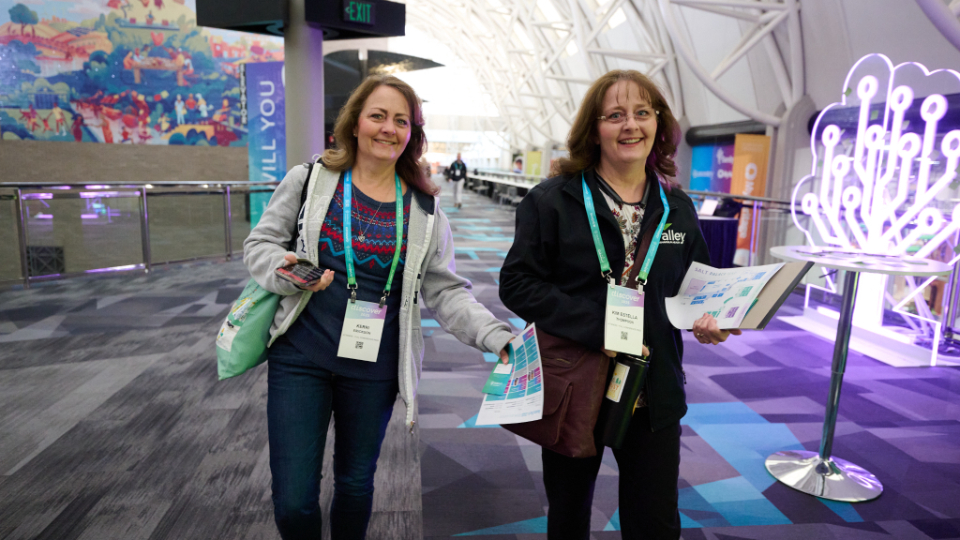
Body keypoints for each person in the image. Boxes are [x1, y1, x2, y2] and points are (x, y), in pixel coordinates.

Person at [243, 74, 514, 540]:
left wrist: (494, 334)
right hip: (302, 355)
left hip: (375, 366)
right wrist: (284, 270)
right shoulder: (310, 180)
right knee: (293, 500)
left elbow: (446, 290)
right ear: (354, 124)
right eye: (378, 116)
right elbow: (261, 243)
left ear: (412, 134)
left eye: (401, 121)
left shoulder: (426, 210)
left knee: (354, 485)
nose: (389, 128)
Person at [499, 70, 741, 540]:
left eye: (642, 113)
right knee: (569, 517)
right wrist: (599, 327)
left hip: (653, 388)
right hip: (575, 384)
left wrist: (712, 319)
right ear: (594, 130)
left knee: (655, 524)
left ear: (658, 124)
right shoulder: (552, 201)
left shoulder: (677, 208)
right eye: (615, 115)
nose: (631, 125)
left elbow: (697, 286)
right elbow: (517, 283)